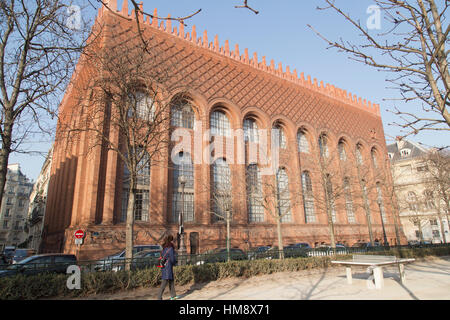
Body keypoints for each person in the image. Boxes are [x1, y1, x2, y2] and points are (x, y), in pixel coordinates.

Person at [157, 235, 178, 300]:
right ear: (171, 240)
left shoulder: (164, 248)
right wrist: (175, 262)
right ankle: (159, 297)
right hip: (168, 267)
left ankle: (173, 296)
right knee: (164, 282)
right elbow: (172, 258)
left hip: (164, 267)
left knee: (171, 281)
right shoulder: (170, 248)